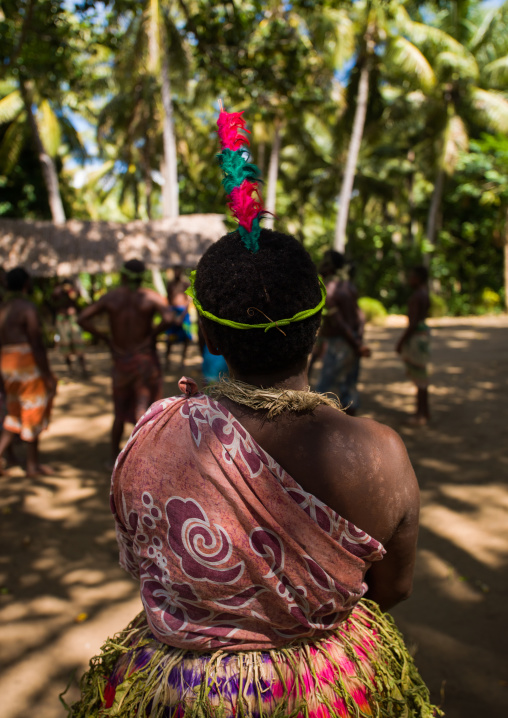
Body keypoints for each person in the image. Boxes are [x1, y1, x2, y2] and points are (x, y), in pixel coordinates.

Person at [68, 107, 439, 718]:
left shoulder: (157, 435)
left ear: (209, 339)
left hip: (178, 694)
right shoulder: (379, 453)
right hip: (322, 694)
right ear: (318, 327)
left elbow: (140, 562)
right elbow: (391, 590)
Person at [77, 259, 174, 463]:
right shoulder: (150, 297)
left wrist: (106, 339)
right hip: (145, 358)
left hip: (122, 359)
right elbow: (169, 319)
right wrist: (151, 336)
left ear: (122, 276)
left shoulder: (111, 298)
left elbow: (82, 318)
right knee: (145, 408)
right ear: (142, 277)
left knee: (120, 410)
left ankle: (115, 455)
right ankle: (144, 455)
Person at [0, 267, 57, 477]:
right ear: (25, 284)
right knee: (33, 410)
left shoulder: (4, 307)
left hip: (6, 363)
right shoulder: (27, 308)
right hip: (26, 364)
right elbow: (37, 344)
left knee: (14, 413)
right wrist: (47, 375)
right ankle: (32, 466)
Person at [315, 250, 370, 415]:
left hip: (341, 343)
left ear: (329, 266)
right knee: (349, 387)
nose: (320, 265)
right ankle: (352, 427)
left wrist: (355, 344)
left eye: (324, 261)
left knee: (325, 390)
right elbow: (360, 317)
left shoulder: (330, 288)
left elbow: (338, 322)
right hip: (351, 341)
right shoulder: (348, 286)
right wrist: (358, 341)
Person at [396, 265, 431, 426]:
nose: (409, 279)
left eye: (411, 276)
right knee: (421, 376)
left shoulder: (418, 296)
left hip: (417, 337)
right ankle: (424, 412)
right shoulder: (425, 294)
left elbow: (413, 323)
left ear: (418, 278)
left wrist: (401, 342)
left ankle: (420, 415)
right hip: (423, 335)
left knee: (419, 378)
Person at [51, 280, 89, 378]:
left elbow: (78, 302)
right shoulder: (57, 292)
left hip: (73, 320)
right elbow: (53, 305)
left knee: (78, 344)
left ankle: (83, 369)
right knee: (65, 345)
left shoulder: (74, 292)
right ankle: (70, 369)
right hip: (62, 320)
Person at [164, 265, 192, 368]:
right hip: (173, 312)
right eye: (175, 270)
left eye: (178, 270)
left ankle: (183, 361)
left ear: (181, 271)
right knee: (170, 338)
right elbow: (168, 300)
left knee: (186, 338)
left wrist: (182, 316)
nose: (176, 272)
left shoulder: (185, 284)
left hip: (183, 312)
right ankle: (167, 361)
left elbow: (189, 300)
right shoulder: (170, 284)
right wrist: (171, 315)